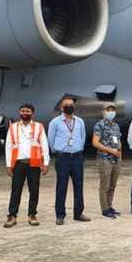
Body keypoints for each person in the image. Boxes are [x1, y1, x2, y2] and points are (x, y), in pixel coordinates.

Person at [5, 103, 49, 228]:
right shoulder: (13, 127)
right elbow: (8, 146)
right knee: (16, 190)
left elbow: (44, 145)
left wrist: (45, 163)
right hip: (19, 163)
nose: (25, 113)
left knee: (34, 190)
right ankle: (12, 215)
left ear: (32, 113)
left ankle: (32, 214)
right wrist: (9, 165)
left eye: (28, 111)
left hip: (34, 163)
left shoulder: (39, 127)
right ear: (19, 113)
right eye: (23, 111)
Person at [48, 96, 89, 225]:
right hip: (63, 158)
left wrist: (78, 148)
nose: (69, 106)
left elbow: (82, 137)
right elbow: (51, 139)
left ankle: (78, 213)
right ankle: (60, 215)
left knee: (79, 186)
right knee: (61, 186)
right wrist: (58, 150)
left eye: (71, 104)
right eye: (66, 105)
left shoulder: (80, 121)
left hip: (77, 157)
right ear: (61, 107)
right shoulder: (55, 122)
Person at [92, 103, 122, 218]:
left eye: (112, 109)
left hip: (116, 159)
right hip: (105, 159)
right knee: (105, 185)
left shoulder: (116, 126)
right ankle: (104, 209)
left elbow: (119, 141)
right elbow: (95, 142)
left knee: (112, 185)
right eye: (108, 109)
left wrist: (120, 156)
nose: (110, 112)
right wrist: (110, 151)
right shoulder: (99, 125)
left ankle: (110, 206)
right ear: (103, 111)